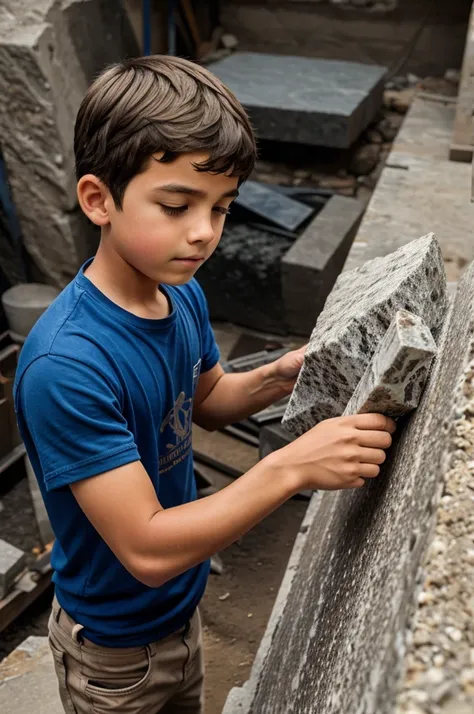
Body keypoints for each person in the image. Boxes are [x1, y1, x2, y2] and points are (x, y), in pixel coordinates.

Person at [13, 55, 395, 714]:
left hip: (180, 613)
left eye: (220, 208)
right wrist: (288, 468)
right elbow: (147, 548)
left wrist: (276, 378)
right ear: (99, 199)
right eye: (177, 204)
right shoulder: (68, 367)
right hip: (115, 653)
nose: (203, 233)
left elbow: (210, 403)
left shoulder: (177, 294)